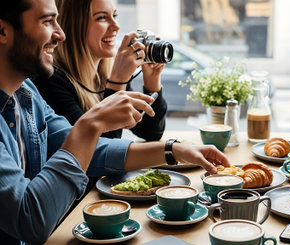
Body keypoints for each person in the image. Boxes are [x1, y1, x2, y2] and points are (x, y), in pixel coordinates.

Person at [0, 0, 230, 244]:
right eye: (47, 21)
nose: (61, 34)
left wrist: (173, 150)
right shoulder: (50, 83)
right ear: (3, 31)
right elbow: (30, 220)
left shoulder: (28, 92)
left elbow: (94, 152)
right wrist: (90, 125)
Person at [32, 0, 167, 141]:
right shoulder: (51, 80)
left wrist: (152, 82)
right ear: (74, 27)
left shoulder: (105, 74)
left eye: (114, 16)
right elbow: (101, 151)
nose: (116, 26)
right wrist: (117, 83)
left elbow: (151, 132)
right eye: (102, 18)